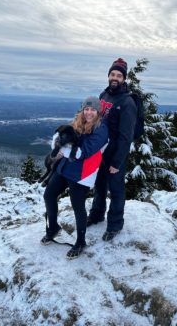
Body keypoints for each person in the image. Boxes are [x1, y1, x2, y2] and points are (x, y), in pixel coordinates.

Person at [41, 96, 108, 259]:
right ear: (82, 110)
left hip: (82, 173)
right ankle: (53, 228)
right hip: (65, 167)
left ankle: (80, 242)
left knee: (77, 206)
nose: (89, 112)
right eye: (86, 109)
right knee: (49, 195)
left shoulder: (102, 129)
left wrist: (61, 148)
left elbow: (83, 152)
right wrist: (60, 144)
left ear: (98, 111)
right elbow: (58, 137)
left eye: (93, 109)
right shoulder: (77, 122)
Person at [88, 58, 137, 241]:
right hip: (101, 151)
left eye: (119, 75)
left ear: (124, 78)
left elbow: (126, 136)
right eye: (112, 74)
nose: (115, 78)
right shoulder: (104, 95)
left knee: (116, 190)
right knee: (99, 185)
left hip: (116, 153)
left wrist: (117, 161)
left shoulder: (127, 102)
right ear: (108, 76)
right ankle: (96, 214)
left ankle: (115, 225)